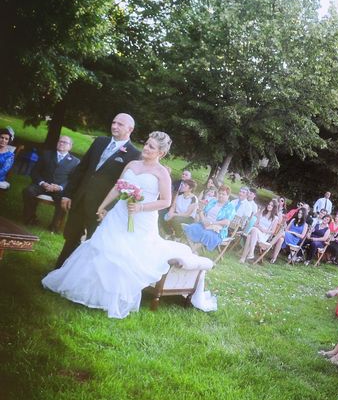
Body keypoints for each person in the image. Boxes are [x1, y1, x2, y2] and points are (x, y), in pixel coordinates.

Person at [42, 132, 215, 318]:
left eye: (151, 147)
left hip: (141, 219)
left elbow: (165, 201)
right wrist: (102, 206)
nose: (146, 149)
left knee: (124, 254)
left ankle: (110, 296)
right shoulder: (132, 164)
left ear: (161, 153)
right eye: (146, 144)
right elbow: (118, 187)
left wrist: (141, 207)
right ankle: (83, 287)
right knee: (100, 247)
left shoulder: (161, 173)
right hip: (119, 214)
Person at [55, 114, 141, 268]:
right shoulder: (100, 142)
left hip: (101, 206)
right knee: (71, 237)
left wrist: (108, 208)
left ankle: (83, 275)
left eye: (120, 124)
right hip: (81, 198)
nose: (114, 126)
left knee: (93, 244)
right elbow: (81, 169)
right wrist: (68, 194)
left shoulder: (134, 154)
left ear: (130, 129)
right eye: (113, 122)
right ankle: (59, 270)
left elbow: (125, 186)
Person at [22, 136, 80, 230]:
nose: (61, 143)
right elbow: (35, 171)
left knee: (63, 200)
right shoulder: (46, 154)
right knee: (28, 191)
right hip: (42, 185)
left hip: (59, 189)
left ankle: (54, 226)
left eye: (65, 142)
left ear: (70, 146)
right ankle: (30, 218)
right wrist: (42, 183)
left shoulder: (75, 161)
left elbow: (72, 180)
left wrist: (60, 187)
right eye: (60, 141)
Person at [182, 185, 236, 253]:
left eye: (223, 194)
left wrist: (212, 223)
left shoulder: (230, 207)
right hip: (204, 224)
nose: (221, 195)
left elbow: (226, 222)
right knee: (192, 227)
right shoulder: (213, 201)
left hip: (217, 229)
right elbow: (202, 212)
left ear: (228, 196)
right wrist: (203, 220)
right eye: (220, 193)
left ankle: (191, 251)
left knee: (206, 234)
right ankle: (187, 248)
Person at [239, 199, 280, 263]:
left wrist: (263, 230)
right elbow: (255, 224)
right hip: (255, 232)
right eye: (269, 204)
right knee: (252, 233)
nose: (269, 206)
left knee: (252, 233)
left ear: (274, 208)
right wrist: (259, 227)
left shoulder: (275, 218)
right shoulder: (263, 212)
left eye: (271, 205)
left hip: (264, 235)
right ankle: (245, 257)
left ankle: (248, 255)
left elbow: (273, 232)